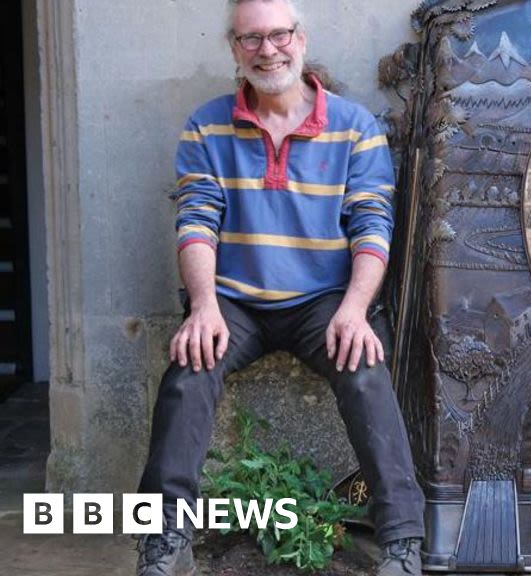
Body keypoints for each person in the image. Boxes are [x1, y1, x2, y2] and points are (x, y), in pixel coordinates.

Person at [134, 1, 424, 575]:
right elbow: (196, 221)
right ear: (235, 50)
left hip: (324, 302)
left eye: (279, 35)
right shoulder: (207, 126)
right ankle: (164, 542)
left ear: (301, 39)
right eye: (251, 39)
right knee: (187, 375)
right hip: (234, 301)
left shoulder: (354, 126)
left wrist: (355, 310)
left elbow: (372, 224)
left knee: (366, 372)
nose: (268, 49)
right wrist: (204, 306)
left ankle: (403, 542)